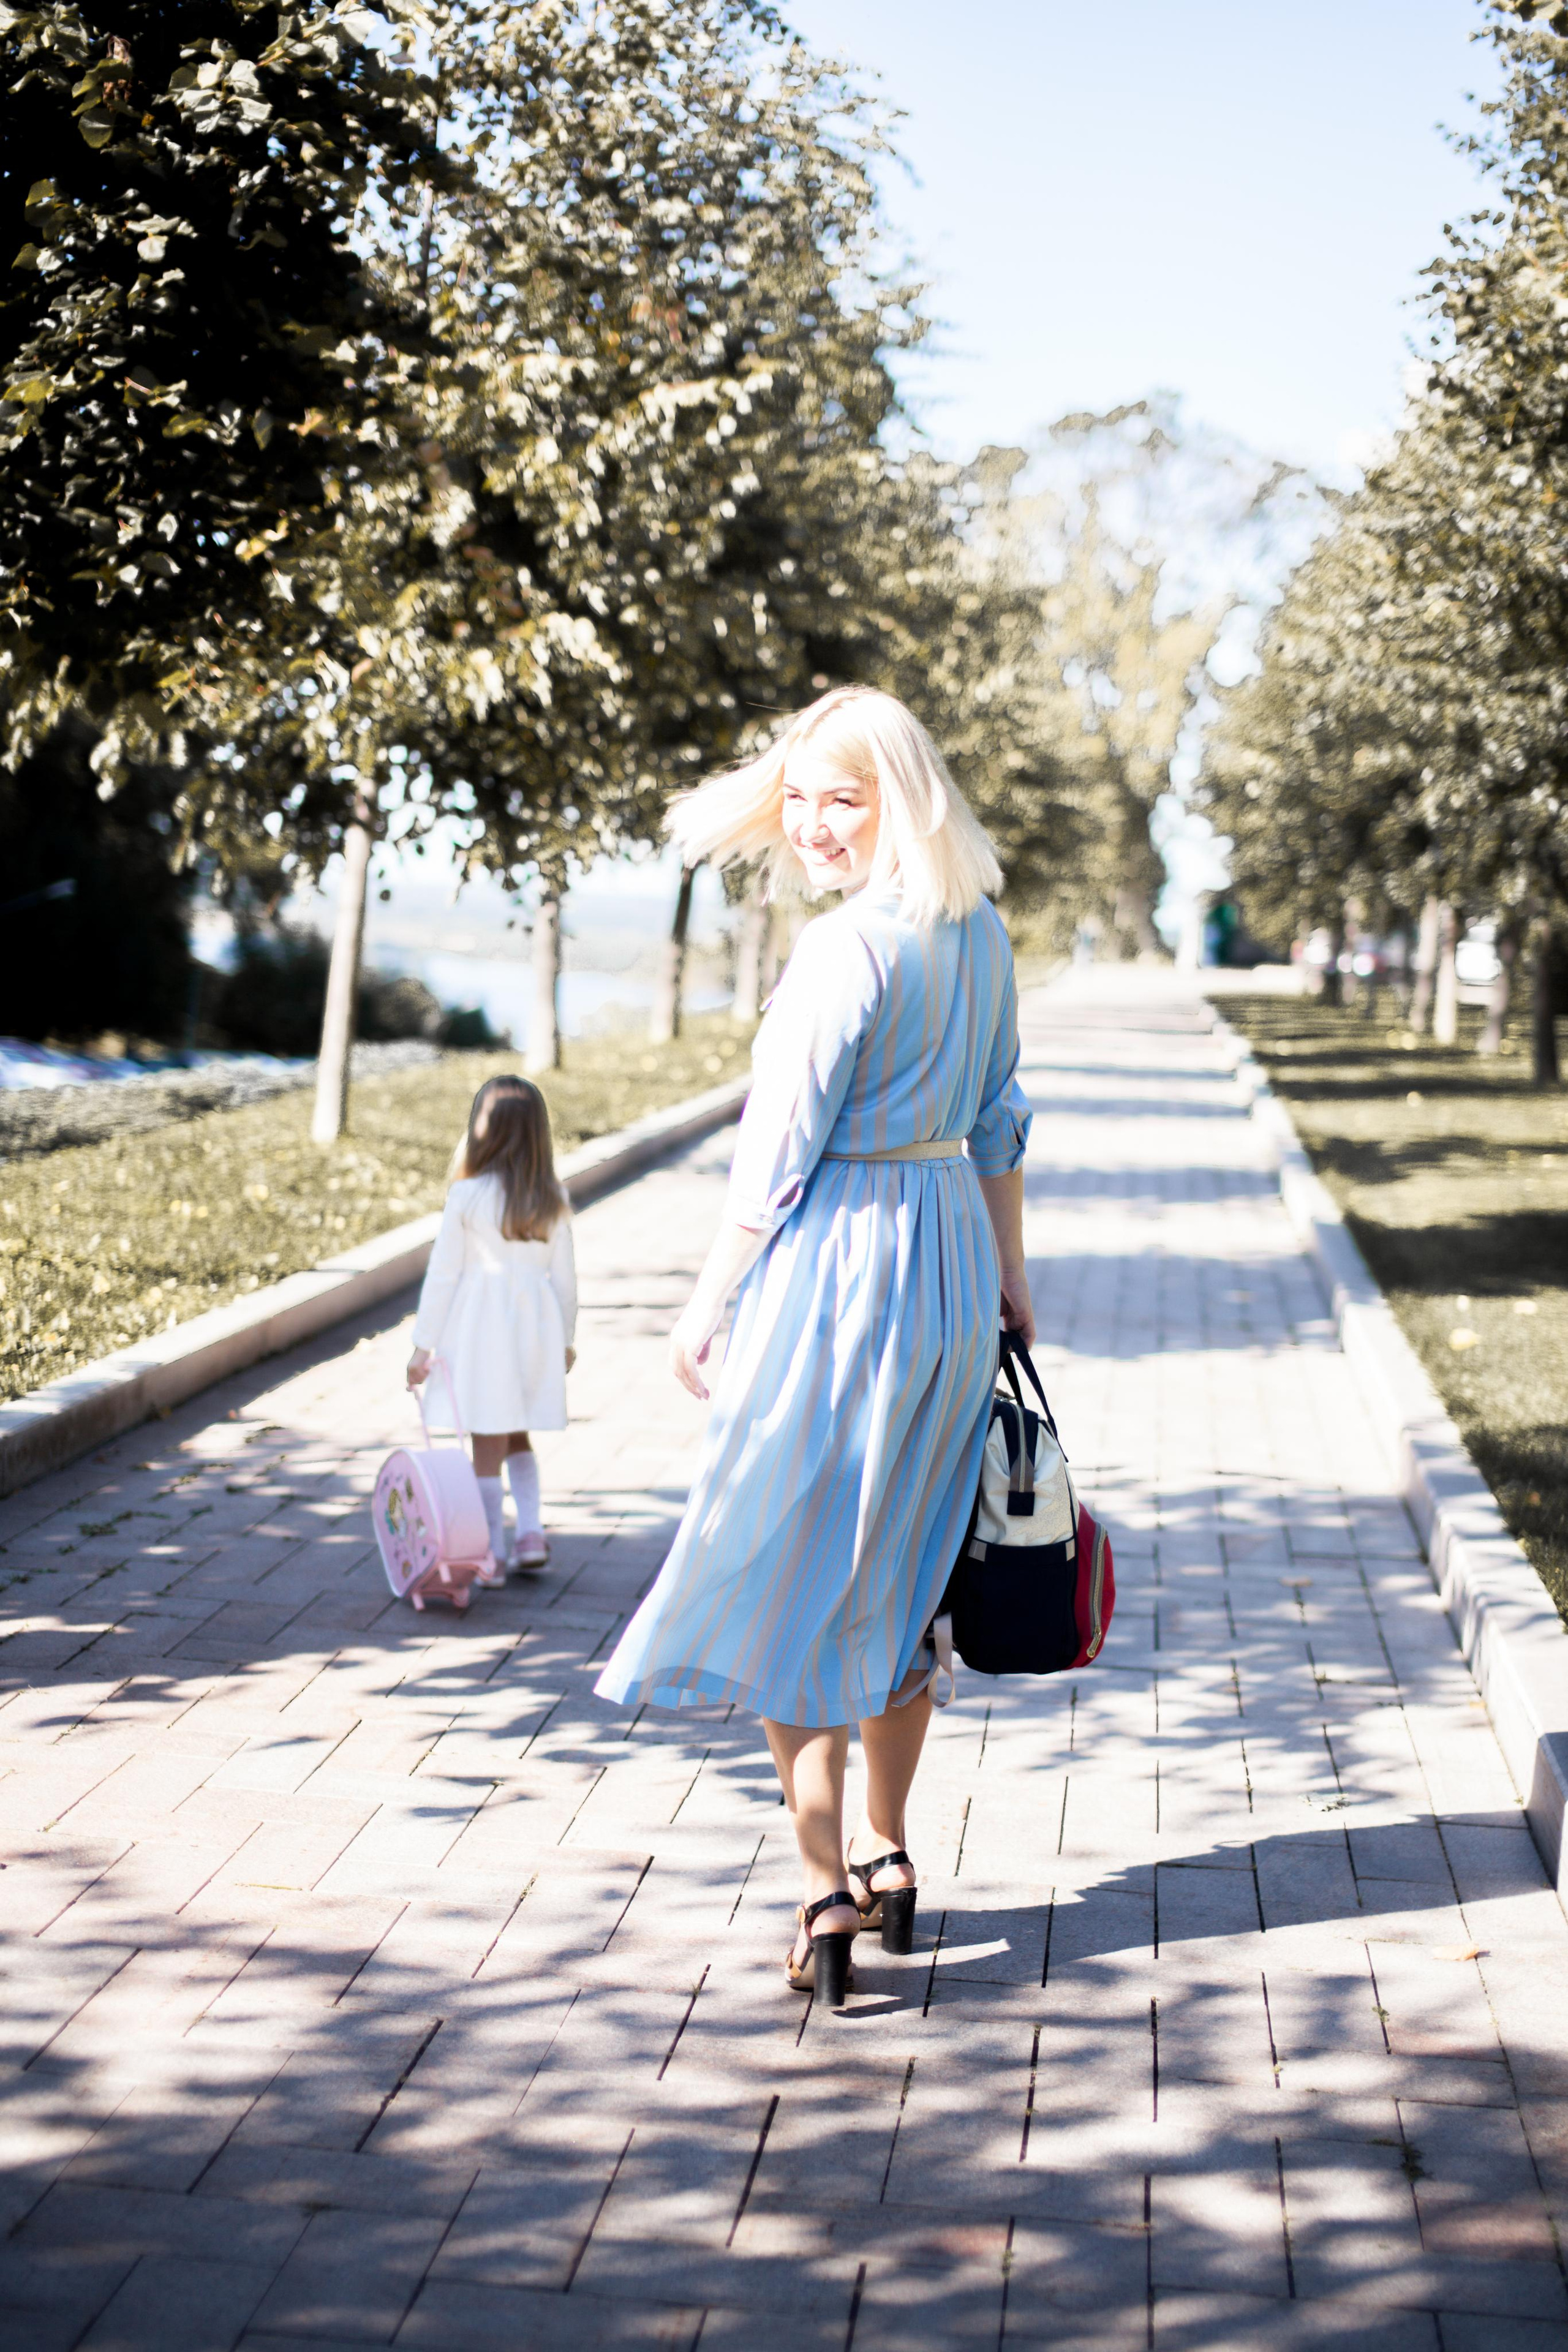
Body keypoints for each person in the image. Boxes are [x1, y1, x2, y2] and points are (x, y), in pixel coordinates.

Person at [595, 686, 1033, 2008]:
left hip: (843, 1270)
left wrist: (705, 1301)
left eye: (842, 797)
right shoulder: (982, 937)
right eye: (796, 797)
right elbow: (1004, 1120)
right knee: (899, 1572)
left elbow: (774, 1161)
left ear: (902, 797)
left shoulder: (845, 956)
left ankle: (825, 1889)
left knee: (793, 1580)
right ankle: (895, 1858)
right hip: (949, 1264)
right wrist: (1010, 1276)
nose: (813, 824)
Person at [406, 1074, 577, 1572]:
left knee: (487, 1436)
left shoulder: (467, 1197)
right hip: (535, 1329)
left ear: (485, 1131)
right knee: (518, 1431)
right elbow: (566, 1280)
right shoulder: (553, 1198)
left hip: (483, 1331)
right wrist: (565, 1341)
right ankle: (529, 1533)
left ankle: (491, 1550)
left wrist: (423, 1346)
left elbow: (443, 1275)